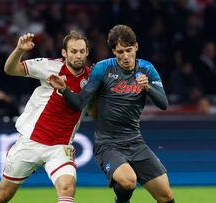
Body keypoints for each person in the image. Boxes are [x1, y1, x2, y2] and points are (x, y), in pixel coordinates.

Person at [48, 25, 175, 203]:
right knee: (128, 181)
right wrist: (64, 90)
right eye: (120, 51)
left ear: (136, 47)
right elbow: (79, 103)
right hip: (108, 144)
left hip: (135, 141)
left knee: (166, 195)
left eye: (129, 50)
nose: (125, 56)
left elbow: (163, 104)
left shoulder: (147, 69)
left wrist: (148, 88)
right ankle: (120, 199)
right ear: (114, 51)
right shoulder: (103, 69)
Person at [0, 30, 91, 203]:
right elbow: (10, 70)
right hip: (31, 141)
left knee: (67, 188)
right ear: (64, 53)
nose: (78, 55)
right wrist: (19, 50)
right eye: (73, 51)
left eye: (81, 51)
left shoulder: (93, 77)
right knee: (2, 197)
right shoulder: (50, 66)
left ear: (87, 52)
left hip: (60, 146)